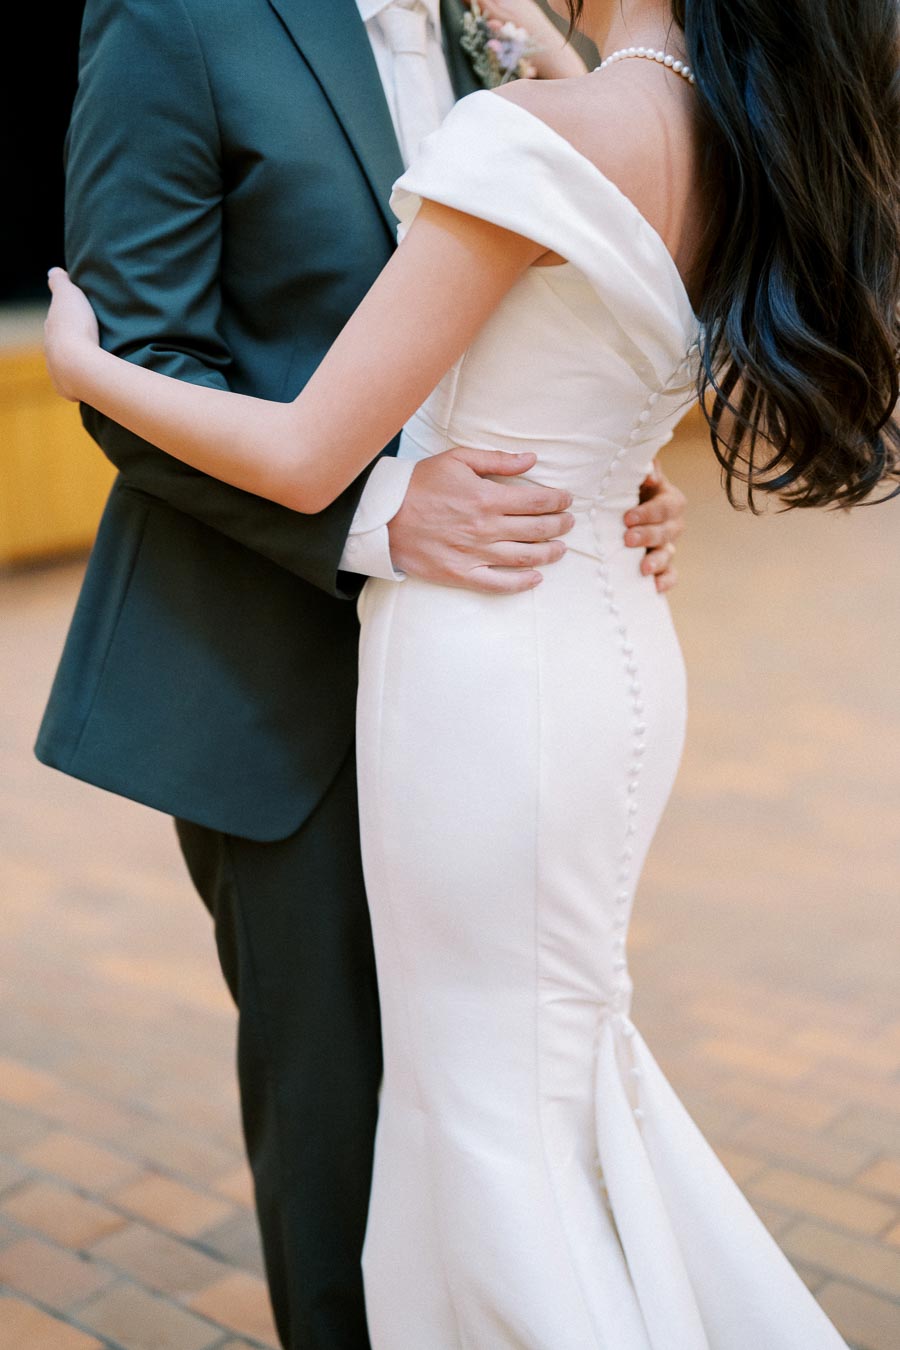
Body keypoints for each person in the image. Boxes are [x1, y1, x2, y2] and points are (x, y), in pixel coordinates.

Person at [44, 0, 900, 1344]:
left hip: (493, 683)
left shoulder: (512, 48)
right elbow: (148, 351)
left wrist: (601, 482)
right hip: (277, 675)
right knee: (352, 1136)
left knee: (491, 1108)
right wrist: (393, 515)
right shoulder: (177, 20)